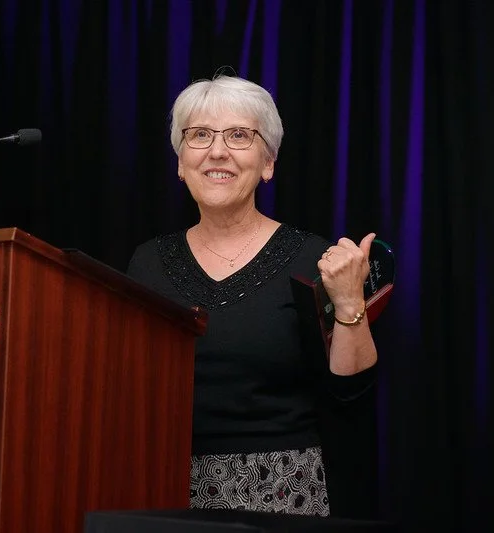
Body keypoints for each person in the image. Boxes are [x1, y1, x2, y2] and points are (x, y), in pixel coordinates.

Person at [126, 74, 378, 517]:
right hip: (162, 486)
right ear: (181, 162)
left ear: (268, 163)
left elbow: (349, 393)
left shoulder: (314, 259)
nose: (217, 151)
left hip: (282, 493)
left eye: (239, 135)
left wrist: (350, 304)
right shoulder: (146, 262)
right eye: (199, 135)